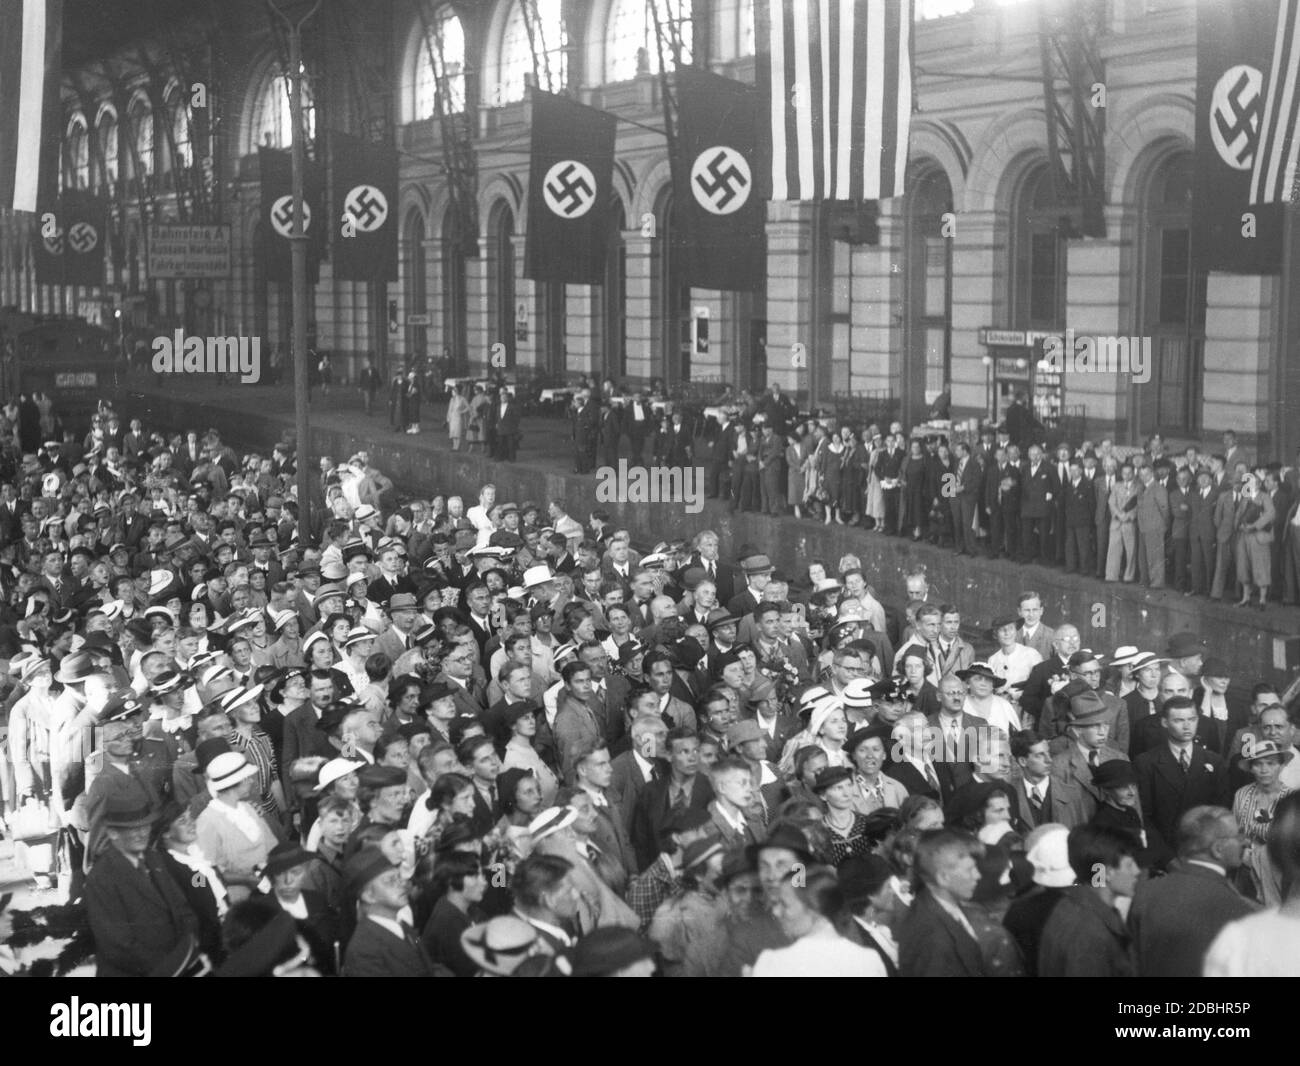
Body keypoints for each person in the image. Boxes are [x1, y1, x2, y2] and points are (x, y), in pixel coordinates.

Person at [1127, 806, 1255, 976]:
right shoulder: (1239, 910)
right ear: (1218, 849)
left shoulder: (1144, 893)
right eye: (1238, 835)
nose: (1245, 841)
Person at [1038, 824, 1139, 976]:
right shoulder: (1090, 935)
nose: (1137, 871)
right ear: (1106, 873)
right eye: (1129, 865)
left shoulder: (1071, 905)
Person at [750, 865, 886, 977]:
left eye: (785, 905)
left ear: (814, 909)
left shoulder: (772, 964)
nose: (776, 912)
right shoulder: (869, 959)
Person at [899, 829, 989, 976]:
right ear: (943, 878)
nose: (978, 875)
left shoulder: (939, 906)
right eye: (970, 869)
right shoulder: (931, 940)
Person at [1233, 739, 1293, 904]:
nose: (1264, 769)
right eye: (1258, 764)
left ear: (1281, 766)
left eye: (1271, 763)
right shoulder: (1242, 794)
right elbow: (1235, 831)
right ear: (1251, 768)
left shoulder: (1291, 798)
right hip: (1244, 868)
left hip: (1281, 871)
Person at [445, 383, 470, 452]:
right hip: (452, 417)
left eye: (453, 391)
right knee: (453, 432)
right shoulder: (452, 399)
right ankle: (454, 446)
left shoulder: (462, 399)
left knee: (457, 432)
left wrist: (462, 411)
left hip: (458, 417)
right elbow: (449, 409)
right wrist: (448, 417)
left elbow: (468, 407)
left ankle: (457, 447)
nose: (452, 393)